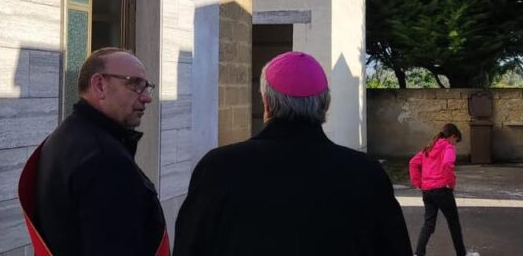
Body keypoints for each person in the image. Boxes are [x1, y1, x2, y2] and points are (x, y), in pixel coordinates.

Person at [174, 51, 411, 256]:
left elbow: (190, 247)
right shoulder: (366, 173)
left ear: (266, 103)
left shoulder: (219, 168)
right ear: (325, 104)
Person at [19, 48, 168, 256]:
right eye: (134, 84)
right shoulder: (106, 160)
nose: (147, 98)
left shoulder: (65, 135)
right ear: (99, 85)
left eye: (146, 87)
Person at [409, 123, 472, 256]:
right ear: (452, 136)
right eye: (456, 140)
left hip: (427, 191)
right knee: (453, 223)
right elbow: (447, 165)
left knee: (428, 224)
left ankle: (418, 253)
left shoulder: (429, 147)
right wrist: (451, 184)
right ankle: (462, 254)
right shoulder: (448, 148)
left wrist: (419, 183)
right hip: (442, 190)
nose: (455, 144)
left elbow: (413, 163)